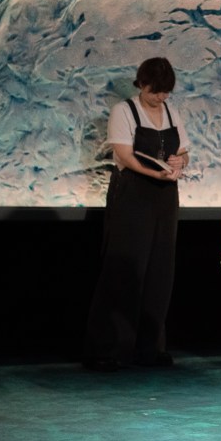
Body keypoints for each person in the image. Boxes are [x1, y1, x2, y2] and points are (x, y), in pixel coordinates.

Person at [83, 57, 190, 372]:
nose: (160, 97)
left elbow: (183, 150)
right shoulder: (124, 111)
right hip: (133, 193)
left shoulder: (171, 112)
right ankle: (108, 347)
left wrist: (180, 163)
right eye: (155, 91)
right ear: (142, 84)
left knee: (160, 269)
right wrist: (155, 173)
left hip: (165, 196)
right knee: (125, 266)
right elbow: (124, 155)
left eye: (165, 92)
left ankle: (150, 347)